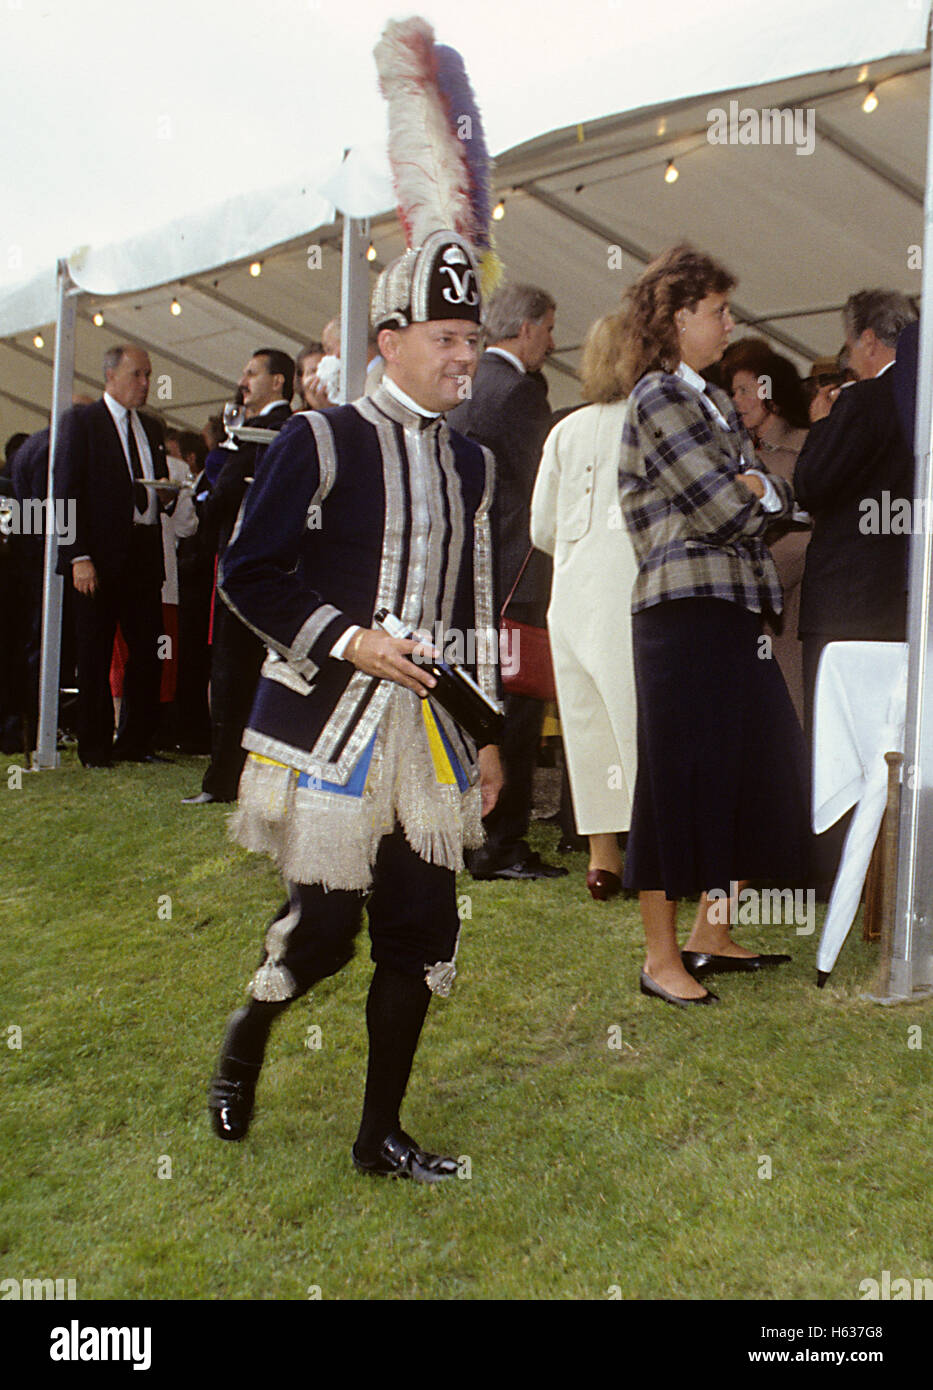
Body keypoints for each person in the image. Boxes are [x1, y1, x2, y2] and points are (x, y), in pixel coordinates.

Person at [207, 228, 504, 1181]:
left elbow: (468, 605)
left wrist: (486, 736)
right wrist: (352, 638)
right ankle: (248, 1031)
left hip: (427, 737)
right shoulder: (319, 436)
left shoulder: (473, 466)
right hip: (329, 728)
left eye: (472, 337)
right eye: (444, 337)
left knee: (420, 934)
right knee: (327, 933)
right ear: (388, 340)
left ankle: (378, 1135)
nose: (464, 355)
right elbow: (247, 575)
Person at [617, 244, 807, 1005]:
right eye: (717, 310)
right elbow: (729, 507)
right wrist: (756, 488)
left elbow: (780, 502)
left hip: (732, 611)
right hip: (683, 615)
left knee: (751, 770)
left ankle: (709, 933)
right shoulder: (658, 398)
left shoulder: (709, 400)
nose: (729, 321)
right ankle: (659, 958)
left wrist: (759, 489)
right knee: (676, 783)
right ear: (674, 317)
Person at [794, 289, 917, 893]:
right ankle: (899, 874)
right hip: (904, 601)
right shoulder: (921, 399)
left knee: (840, 746)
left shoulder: (863, 402)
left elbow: (812, 485)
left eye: (848, 345)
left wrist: (820, 427)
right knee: (900, 747)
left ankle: (837, 874)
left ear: (869, 340)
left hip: (846, 600)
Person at [449, 283, 565, 881]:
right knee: (516, 718)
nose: (552, 340)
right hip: (516, 578)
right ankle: (502, 845)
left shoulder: (463, 384)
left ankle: (474, 831)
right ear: (524, 329)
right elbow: (550, 480)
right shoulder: (518, 392)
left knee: (476, 709)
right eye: (548, 327)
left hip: (468, 576)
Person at [530, 313, 638, 899]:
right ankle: (653, 854)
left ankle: (604, 860)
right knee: (636, 723)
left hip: (569, 594)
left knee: (588, 725)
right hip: (630, 591)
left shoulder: (564, 431)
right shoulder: (654, 423)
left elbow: (541, 528)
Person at [182, 348, 293, 804]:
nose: (243, 381)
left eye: (252, 373)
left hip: (250, 566)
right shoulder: (250, 431)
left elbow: (225, 492)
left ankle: (226, 778)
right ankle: (231, 775)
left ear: (278, 382)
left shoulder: (275, 428)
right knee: (235, 672)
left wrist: (209, 502)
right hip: (250, 563)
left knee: (234, 672)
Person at [54, 346, 171, 767]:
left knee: (148, 649)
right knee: (94, 653)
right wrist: (77, 556)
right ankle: (96, 747)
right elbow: (64, 492)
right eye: (137, 375)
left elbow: (152, 487)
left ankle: (136, 741)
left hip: (142, 554)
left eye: (148, 375)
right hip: (97, 560)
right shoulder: (82, 423)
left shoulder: (152, 428)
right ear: (110, 375)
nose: (145, 384)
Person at [719, 337, 812, 723]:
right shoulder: (733, 452)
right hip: (740, 608)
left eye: (745, 389)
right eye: (733, 392)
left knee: (787, 711)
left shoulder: (805, 448)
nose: (737, 400)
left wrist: (755, 577)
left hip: (786, 608)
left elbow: (805, 536)